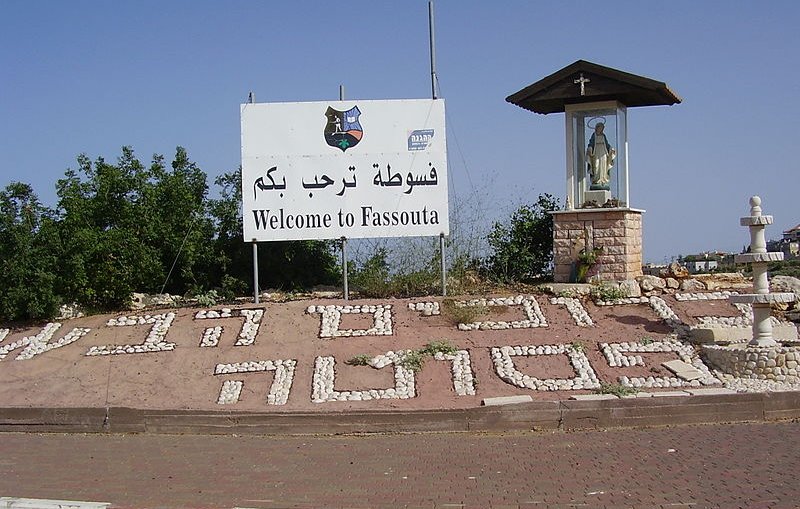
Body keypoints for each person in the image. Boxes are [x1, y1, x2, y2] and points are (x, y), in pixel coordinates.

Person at [586, 122, 616, 190]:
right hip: (596, 152)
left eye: (602, 128)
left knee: (603, 166)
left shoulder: (603, 136)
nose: (601, 129)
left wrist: (611, 149)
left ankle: (603, 179)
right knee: (596, 166)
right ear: (597, 128)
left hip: (603, 152)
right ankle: (596, 180)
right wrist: (590, 148)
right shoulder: (594, 135)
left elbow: (607, 144)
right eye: (600, 128)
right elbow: (591, 143)